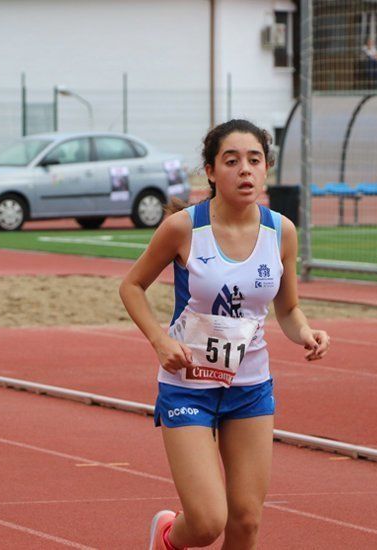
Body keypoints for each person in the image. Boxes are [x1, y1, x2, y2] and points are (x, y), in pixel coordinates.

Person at [119, 119, 330, 549]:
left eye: (254, 160)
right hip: (188, 386)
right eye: (231, 161)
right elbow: (131, 286)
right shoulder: (184, 228)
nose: (245, 170)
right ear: (212, 172)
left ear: (266, 168)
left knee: (247, 521)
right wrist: (161, 341)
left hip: (250, 387)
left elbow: (287, 309)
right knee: (207, 522)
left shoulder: (281, 231)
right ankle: (166, 537)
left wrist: (306, 332)